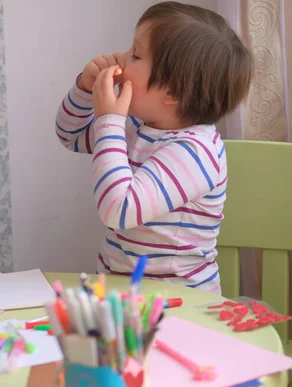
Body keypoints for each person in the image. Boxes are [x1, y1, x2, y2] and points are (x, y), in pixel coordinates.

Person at [54, 1, 252, 293]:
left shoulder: (196, 152)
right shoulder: (139, 125)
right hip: (122, 295)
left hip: (179, 302)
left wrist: (110, 120)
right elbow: (71, 135)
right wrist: (84, 89)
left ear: (171, 91)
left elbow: (118, 210)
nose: (120, 58)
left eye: (135, 54)